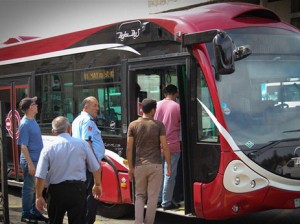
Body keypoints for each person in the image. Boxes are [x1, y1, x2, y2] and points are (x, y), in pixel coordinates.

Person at [35, 116, 102, 224]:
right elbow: (96, 167)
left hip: (56, 191)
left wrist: (39, 196)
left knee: (55, 221)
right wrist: (97, 184)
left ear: (53, 131)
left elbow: (40, 175)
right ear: (69, 128)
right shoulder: (82, 144)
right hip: (77, 190)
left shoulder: (48, 148)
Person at [126, 98, 171, 224]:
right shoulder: (158, 125)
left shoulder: (133, 125)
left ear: (142, 109)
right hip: (156, 165)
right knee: (152, 197)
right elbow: (165, 147)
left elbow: (129, 148)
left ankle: (138, 222)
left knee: (139, 195)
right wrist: (169, 165)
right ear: (153, 110)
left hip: (139, 165)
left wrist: (130, 168)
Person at [72, 96, 105, 224]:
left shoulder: (77, 120)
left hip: (82, 162)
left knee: (84, 196)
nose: (97, 108)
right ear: (86, 107)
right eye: (94, 105)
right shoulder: (87, 121)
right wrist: (95, 163)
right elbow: (87, 142)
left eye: (97, 105)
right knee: (92, 196)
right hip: (89, 164)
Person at [18, 96, 49, 223]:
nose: (37, 106)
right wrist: (30, 165)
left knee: (36, 188)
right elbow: (23, 146)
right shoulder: (25, 123)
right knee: (29, 189)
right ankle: (26, 214)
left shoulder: (32, 120)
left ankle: (34, 212)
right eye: (35, 104)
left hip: (37, 160)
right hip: (31, 161)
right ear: (31, 107)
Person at [154, 84, 181, 210]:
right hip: (172, 146)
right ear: (176, 93)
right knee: (169, 174)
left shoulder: (157, 105)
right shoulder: (177, 107)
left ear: (165, 93)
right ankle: (166, 202)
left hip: (157, 145)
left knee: (159, 174)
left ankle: (158, 200)